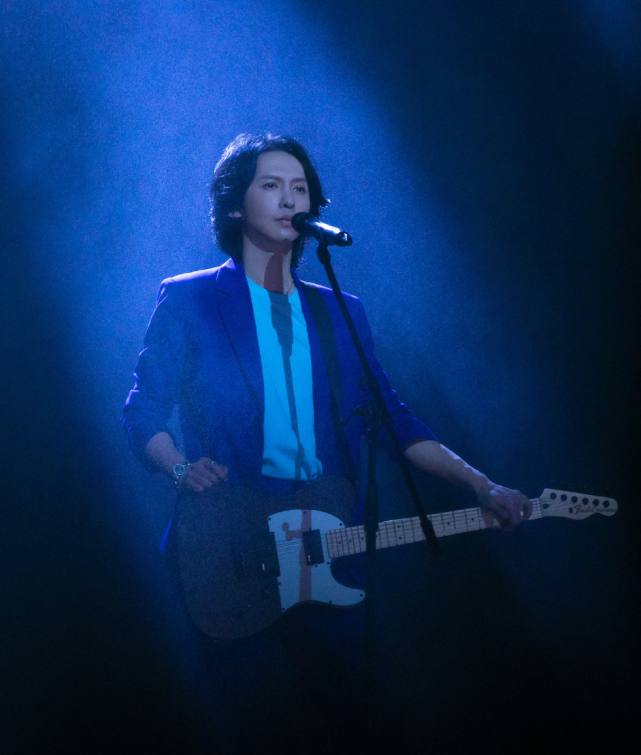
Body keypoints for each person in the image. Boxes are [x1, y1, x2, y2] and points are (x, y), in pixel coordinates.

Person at [122, 133, 532, 751]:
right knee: (251, 722)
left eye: (301, 188)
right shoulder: (190, 298)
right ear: (234, 204)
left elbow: (390, 420)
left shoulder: (340, 310)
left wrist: (481, 484)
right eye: (271, 186)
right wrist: (178, 467)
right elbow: (143, 409)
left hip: (328, 546)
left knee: (356, 717)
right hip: (229, 549)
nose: (290, 200)